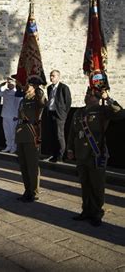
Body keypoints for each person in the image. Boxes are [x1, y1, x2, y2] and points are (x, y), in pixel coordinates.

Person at [67, 88, 125, 227]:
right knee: (85, 184)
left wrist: (108, 98)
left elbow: (121, 113)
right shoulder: (79, 112)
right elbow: (72, 132)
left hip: (95, 154)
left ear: (97, 98)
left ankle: (97, 213)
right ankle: (86, 210)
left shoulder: (103, 111)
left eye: (90, 95)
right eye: (87, 93)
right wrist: (70, 149)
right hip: (81, 154)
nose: (86, 96)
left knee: (97, 185)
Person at [15, 77, 46, 202]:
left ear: (34, 86)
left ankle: (34, 191)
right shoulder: (23, 100)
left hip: (32, 134)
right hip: (21, 134)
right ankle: (27, 190)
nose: (25, 86)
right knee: (23, 165)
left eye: (28, 84)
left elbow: (43, 103)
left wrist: (39, 90)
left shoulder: (36, 99)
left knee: (32, 165)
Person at [45, 70, 71, 162]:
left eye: (53, 76)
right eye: (50, 76)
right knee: (52, 135)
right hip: (51, 113)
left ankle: (61, 155)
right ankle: (53, 154)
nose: (51, 78)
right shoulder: (49, 88)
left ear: (58, 77)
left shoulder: (64, 88)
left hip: (59, 114)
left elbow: (68, 102)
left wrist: (63, 114)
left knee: (59, 135)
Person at [0, 76, 22, 153]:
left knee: (13, 132)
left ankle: (14, 147)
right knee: (6, 132)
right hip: (5, 114)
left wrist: (17, 115)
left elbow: (19, 105)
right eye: (8, 82)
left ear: (15, 83)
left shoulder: (17, 92)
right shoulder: (5, 91)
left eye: (11, 82)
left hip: (13, 115)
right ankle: (8, 145)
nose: (9, 84)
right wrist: (1, 85)